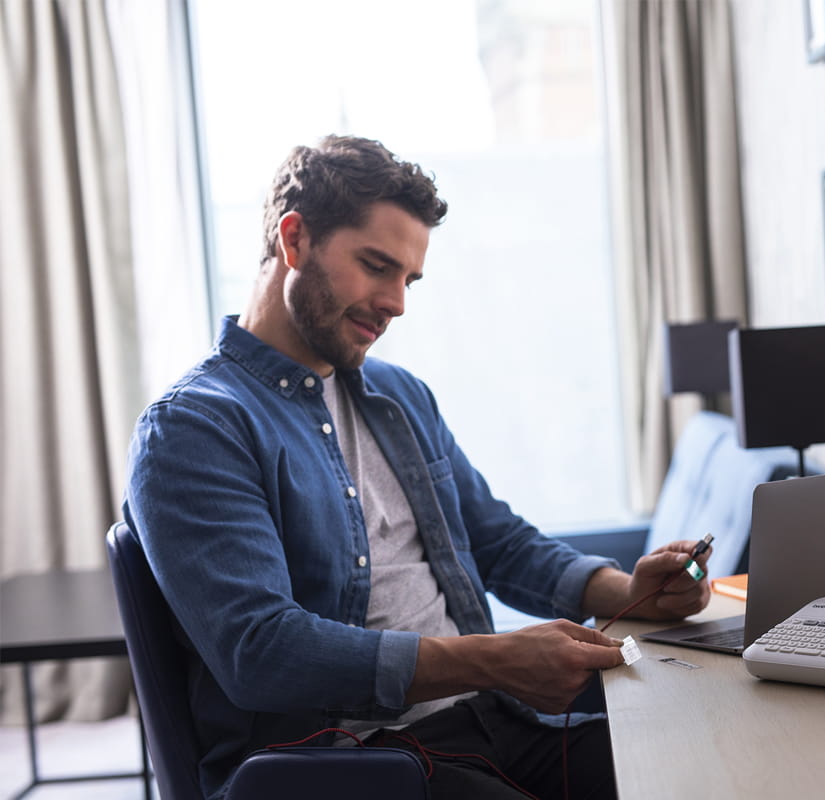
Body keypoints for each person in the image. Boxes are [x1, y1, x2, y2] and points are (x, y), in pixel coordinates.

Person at [122, 134, 711, 800]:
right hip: (344, 764)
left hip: (485, 722)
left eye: (408, 279)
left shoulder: (398, 397)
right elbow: (261, 652)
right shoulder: (196, 428)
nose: (397, 302)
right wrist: (494, 660)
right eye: (376, 266)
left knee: (696, 760)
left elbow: (494, 540)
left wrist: (628, 591)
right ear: (294, 241)